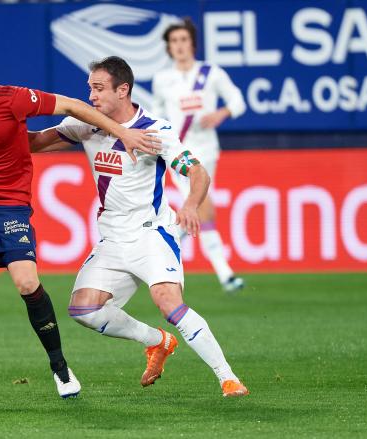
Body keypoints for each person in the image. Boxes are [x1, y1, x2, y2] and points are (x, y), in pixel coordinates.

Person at [0, 45, 159, 399]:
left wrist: (123, 133)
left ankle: (60, 368)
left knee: (27, 283)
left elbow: (74, 107)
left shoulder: (14, 100)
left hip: (7, 208)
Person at [29, 56, 249, 397]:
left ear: (123, 90)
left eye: (99, 89)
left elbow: (198, 171)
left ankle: (227, 377)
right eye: (90, 88)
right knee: (83, 309)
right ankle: (157, 341)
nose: (92, 96)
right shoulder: (85, 124)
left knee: (168, 302)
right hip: (112, 239)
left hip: (151, 234)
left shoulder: (155, 129)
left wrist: (190, 204)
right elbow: (33, 143)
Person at [151, 18, 246, 293]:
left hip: (208, 150)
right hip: (179, 152)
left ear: (192, 43)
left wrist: (222, 113)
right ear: (169, 47)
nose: (179, 46)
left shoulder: (211, 73)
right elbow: (156, 114)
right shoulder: (162, 79)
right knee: (203, 205)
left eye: (184, 40)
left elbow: (238, 100)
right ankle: (225, 274)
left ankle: (166, 244)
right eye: (174, 41)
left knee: (198, 206)